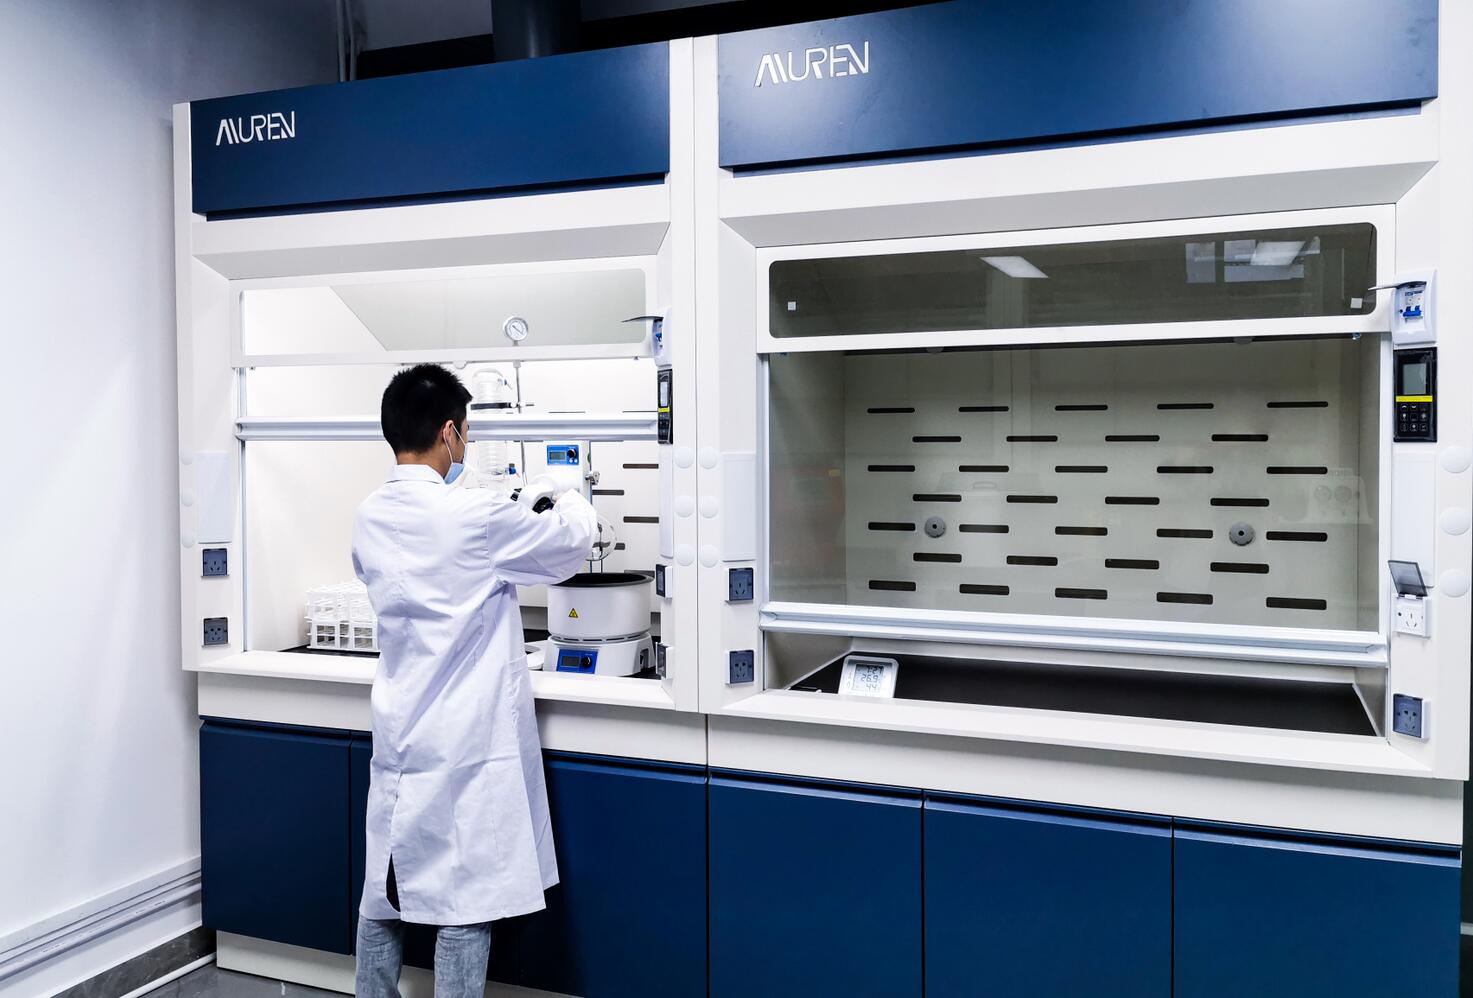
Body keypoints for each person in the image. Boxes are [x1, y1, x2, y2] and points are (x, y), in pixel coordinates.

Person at [350, 363, 597, 997]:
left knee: (382, 894)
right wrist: (564, 491)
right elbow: (569, 547)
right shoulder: (475, 514)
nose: (468, 443)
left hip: (400, 730)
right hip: (463, 739)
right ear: (449, 432)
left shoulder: (369, 515)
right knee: (464, 904)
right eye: (468, 431)